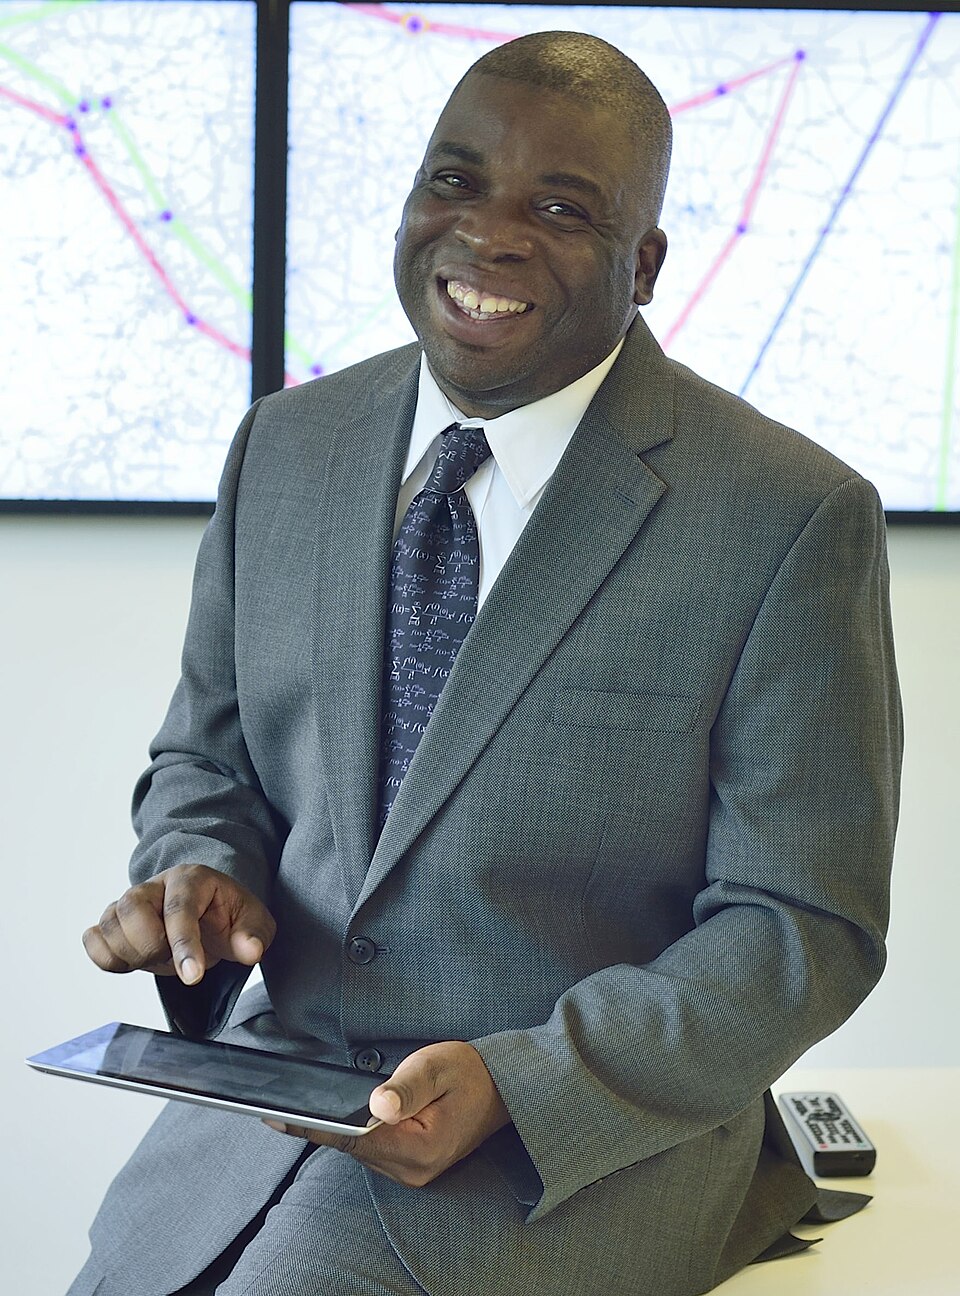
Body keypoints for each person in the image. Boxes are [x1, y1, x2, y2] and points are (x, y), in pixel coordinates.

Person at [71, 30, 902, 1296]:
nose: (488, 236)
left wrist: (525, 1087)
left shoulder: (788, 517)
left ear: (646, 265)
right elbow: (208, 755)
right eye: (454, 183)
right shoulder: (283, 449)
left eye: (561, 208)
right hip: (260, 1118)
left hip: (558, 1163)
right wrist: (199, 875)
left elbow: (803, 926)